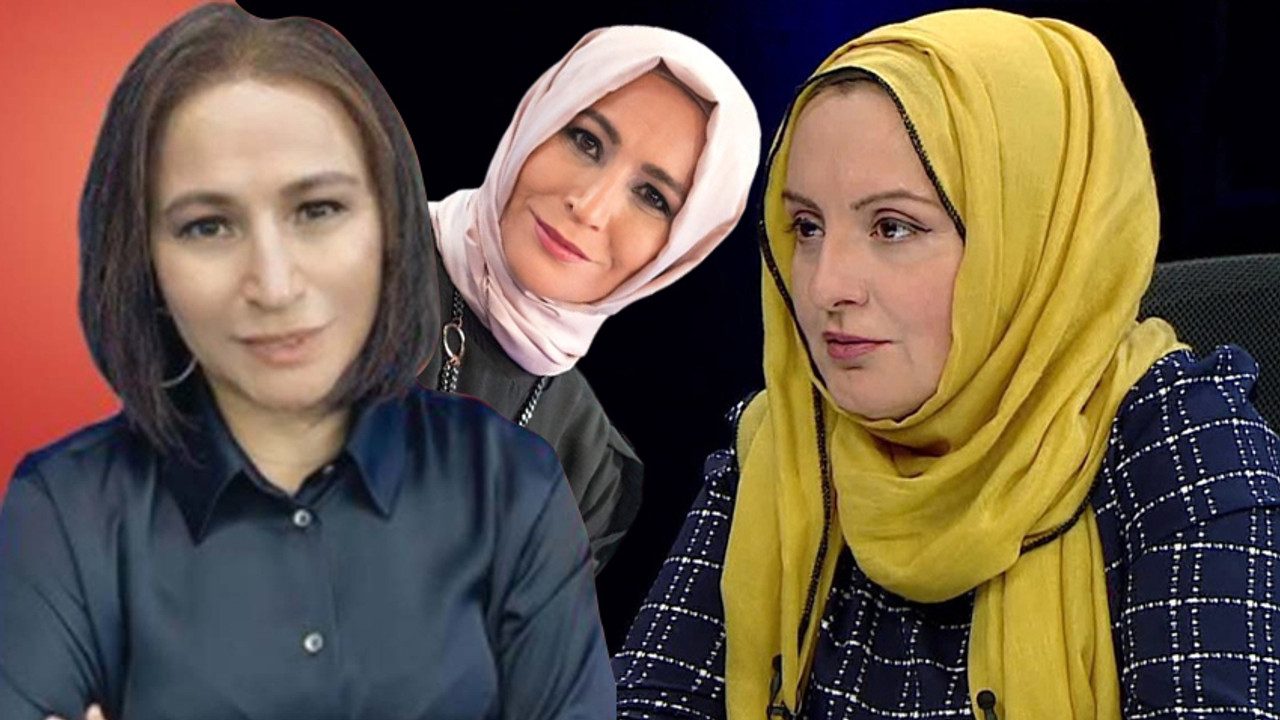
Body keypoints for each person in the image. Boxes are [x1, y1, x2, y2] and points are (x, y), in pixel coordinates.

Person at [614, 8, 1280, 719]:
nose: (824, 284)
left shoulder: (1186, 448)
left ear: (1028, 240)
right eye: (806, 227)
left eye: (892, 227)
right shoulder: (783, 441)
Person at [0, 5, 613, 719]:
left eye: (318, 210)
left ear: (391, 221)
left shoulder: (513, 487)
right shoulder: (65, 507)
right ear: (143, 259)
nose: (275, 283)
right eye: (208, 225)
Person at [420, 26, 760, 573]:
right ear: (537, 119)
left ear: (680, 250)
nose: (591, 207)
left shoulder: (590, 469)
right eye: (586, 141)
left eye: (652, 197)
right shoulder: (345, 266)